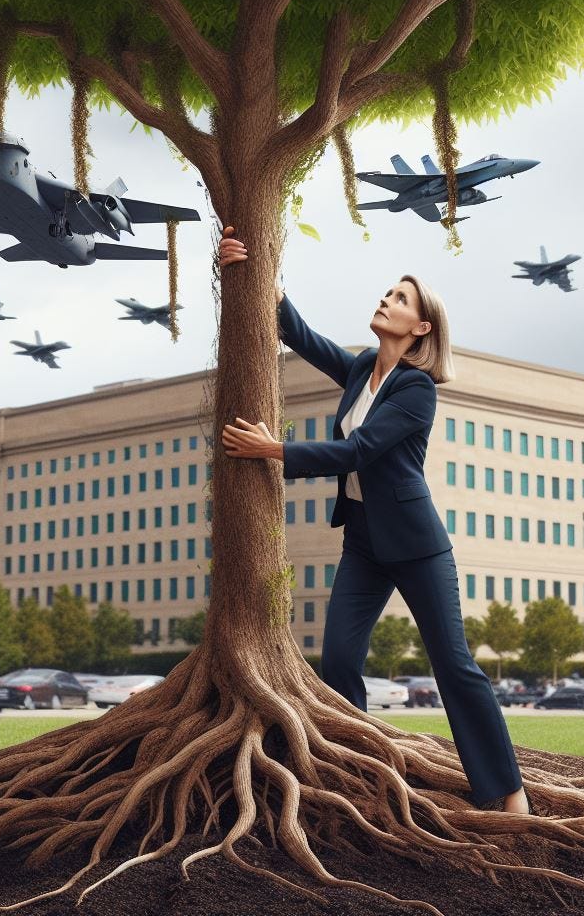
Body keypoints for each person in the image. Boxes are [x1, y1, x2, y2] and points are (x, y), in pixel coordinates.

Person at [218, 229, 531, 814]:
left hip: (416, 547)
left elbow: (358, 451)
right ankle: (355, 775)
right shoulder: (363, 368)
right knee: (338, 661)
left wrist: (275, 451)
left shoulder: (418, 390)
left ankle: (507, 792)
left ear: (421, 328)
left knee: (455, 668)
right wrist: (255, 274)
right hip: (363, 542)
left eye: (400, 298)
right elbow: (299, 336)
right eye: (387, 292)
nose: (386, 299)